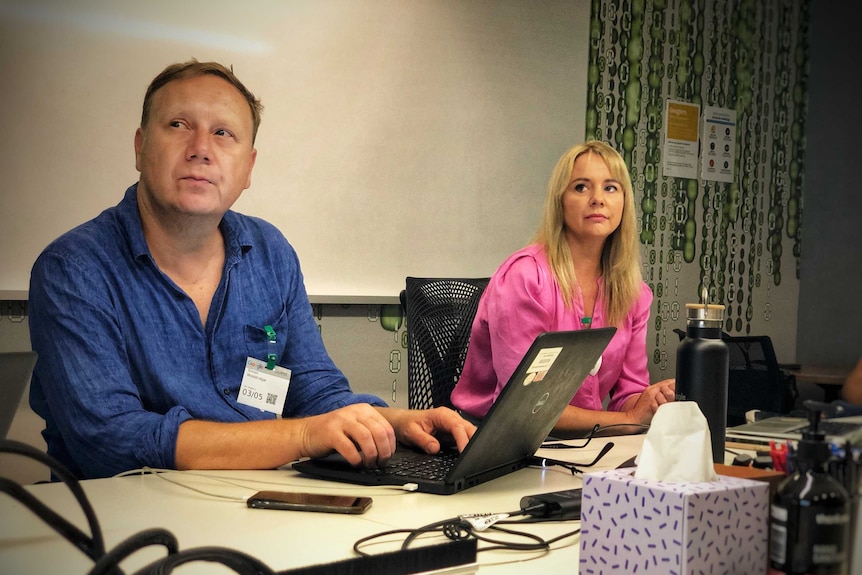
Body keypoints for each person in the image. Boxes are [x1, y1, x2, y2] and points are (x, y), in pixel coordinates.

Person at [28, 60, 474, 480]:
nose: (201, 150)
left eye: (224, 133)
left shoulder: (269, 252)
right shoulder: (74, 270)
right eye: (179, 125)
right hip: (125, 519)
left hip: (252, 499)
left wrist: (393, 423)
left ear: (248, 168)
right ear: (141, 147)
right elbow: (112, 439)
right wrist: (301, 435)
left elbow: (314, 392)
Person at [450, 140, 675, 436]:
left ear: (624, 202)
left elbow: (627, 397)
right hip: (492, 442)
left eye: (610, 187)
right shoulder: (525, 278)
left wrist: (649, 403)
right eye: (581, 187)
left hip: (580, 445)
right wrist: (632, 418)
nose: (597, 199)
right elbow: (526, 407)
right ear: (560, 201)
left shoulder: (633, 293)